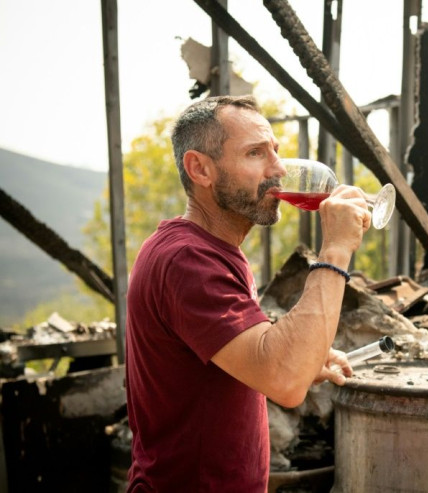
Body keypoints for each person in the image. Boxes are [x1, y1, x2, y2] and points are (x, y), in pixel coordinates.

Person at [125, 95, 371, 492]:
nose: (277, 169)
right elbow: (286, 381)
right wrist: (337, 249)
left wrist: (305, 355)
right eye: (256, 154)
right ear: (200, 169)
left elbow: (251, 356)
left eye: (275, 150)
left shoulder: (213, 249)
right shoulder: (188, 261)